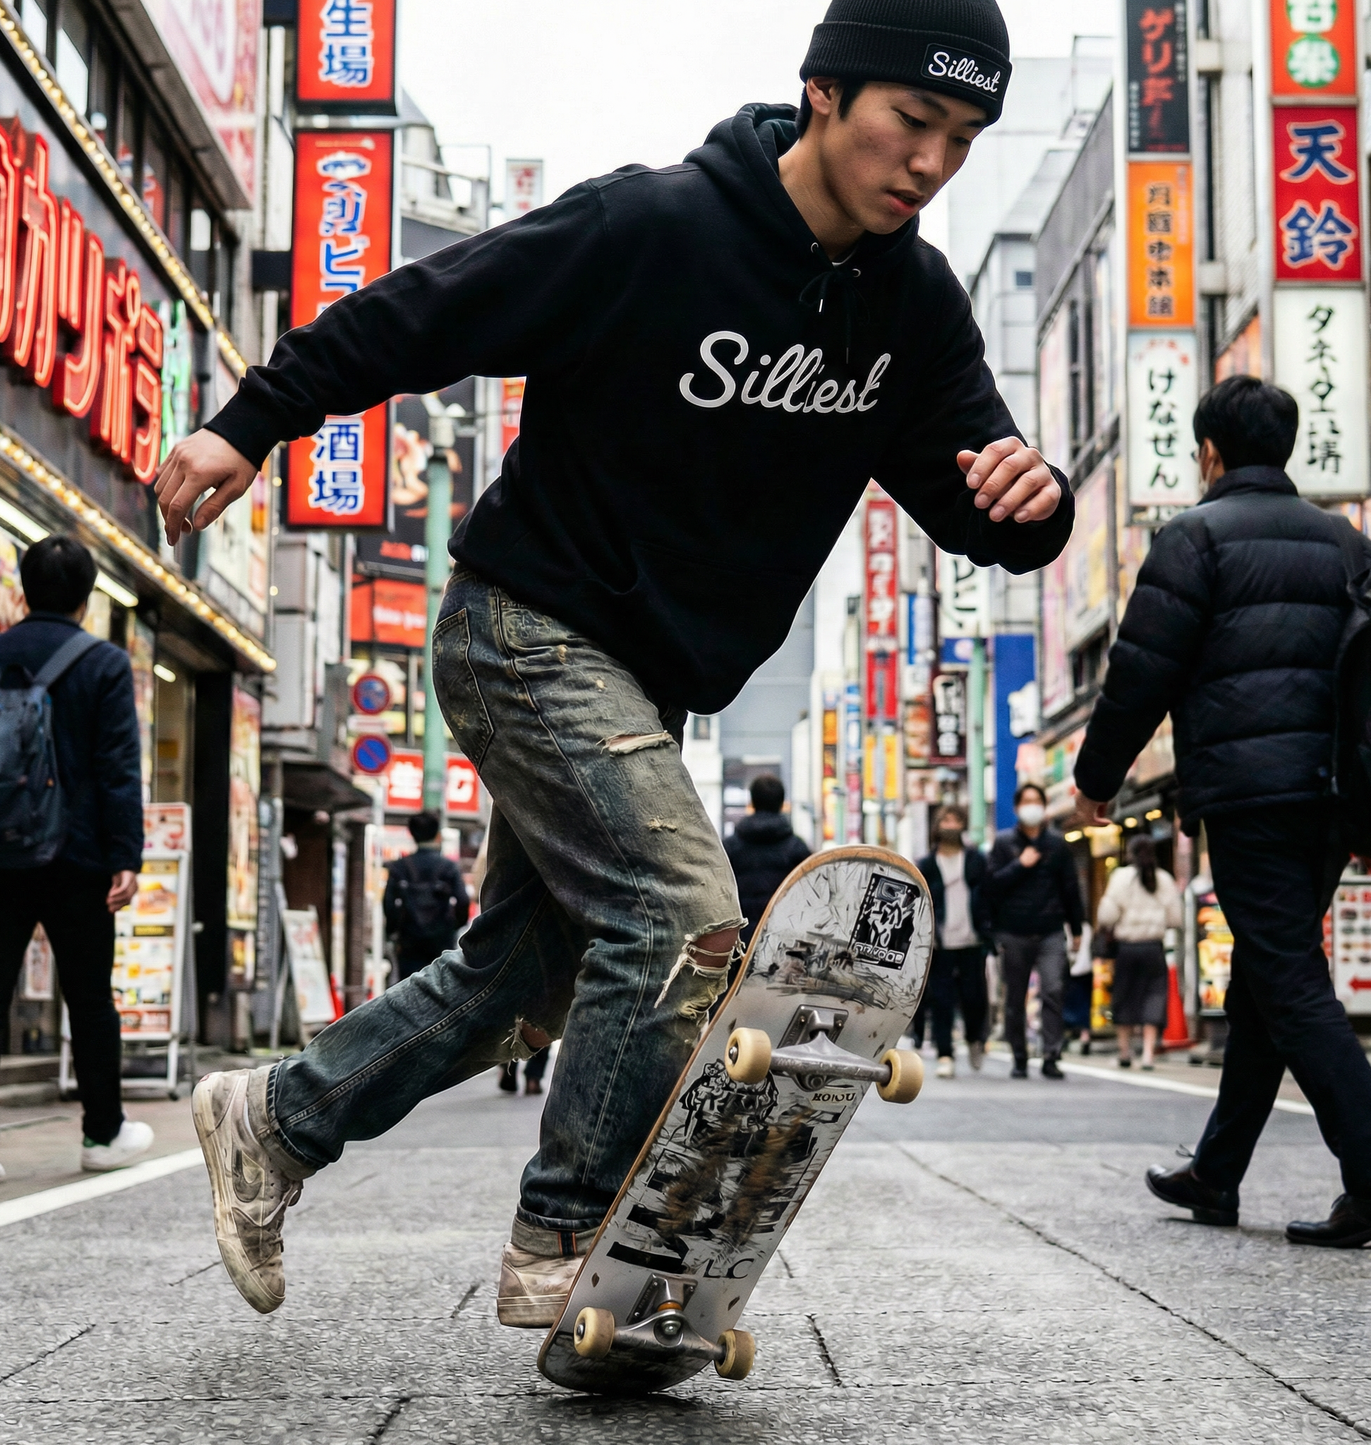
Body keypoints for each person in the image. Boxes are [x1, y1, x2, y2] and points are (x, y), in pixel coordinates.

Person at [162, 0, 1075, 1323]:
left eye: (962, 139)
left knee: (526, 976)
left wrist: (1030, 502)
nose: (929, 164)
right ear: (823, 93)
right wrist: (252, 422)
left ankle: (275, 1120)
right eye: (908, 122)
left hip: (639, 687)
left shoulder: (913, 306)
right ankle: (569, 1236)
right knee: (682, 915)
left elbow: (971, 497)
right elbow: (426, 309)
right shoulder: (650, 228)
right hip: (522, 623)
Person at [1072, 375, 1371, 1247]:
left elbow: (1139, 672)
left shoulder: (1192, 537)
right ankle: (1216, 1171)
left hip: (1247, 794)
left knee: (1283, 975)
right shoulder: (1345, 543)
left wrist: (1097, 779)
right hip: (1330, 796)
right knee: (1261, 977)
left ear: (1207, 451)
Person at [0, 536, 151, 1185]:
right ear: (87, 598)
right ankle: (101, 1130)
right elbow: (117, 767)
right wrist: (126, 853)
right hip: (77, 853)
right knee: (89, 994)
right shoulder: (104, 663)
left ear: (23, 589)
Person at [986, 782, 1086, 1079]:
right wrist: (1020, 864)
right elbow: (991, 886)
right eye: (1026, 801)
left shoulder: (1057, 844)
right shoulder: (1004, 843)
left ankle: (1052, 1055)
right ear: (1017, 809)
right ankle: (1019, 1056)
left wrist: (1077, 928)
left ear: (1043, 807)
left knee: (1054, 990)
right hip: (1013, 932)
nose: (1032, 806)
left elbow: (1071, 888)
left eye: (1036, 801)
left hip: (1051, 931)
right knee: (1015, 997)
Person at [916, 804, 992, 1077]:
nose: (950, 824)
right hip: (940, 943)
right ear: (937, 826)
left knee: (974, 998)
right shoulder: (926, 864)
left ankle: (974, 1039)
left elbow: (988, 895)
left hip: (972, 939)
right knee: (942, 1000)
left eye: (956, 819)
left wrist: (989, 929)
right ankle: (945, 1053)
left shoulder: (976, 860)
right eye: (945, 819)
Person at [1096, 835, 1180, 1071]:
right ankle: (1148, 1055)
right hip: (1154, 947)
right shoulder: (1164, 879)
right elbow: (1176, 918)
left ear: (1130, 853)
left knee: (1125, 997)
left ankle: (1124, 1051)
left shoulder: (1121, 877)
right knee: (1154, 996)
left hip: (1128, 948)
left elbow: (1106, 916)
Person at [382, 812, 470, 984]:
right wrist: (454, 925)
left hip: (409, 940)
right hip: (441, 939)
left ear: (412, 834)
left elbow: (388, 903)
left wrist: (393, 931)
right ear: (437, 835)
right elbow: (463, 900)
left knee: (407, 990)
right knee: (441, 987)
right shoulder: (448, 867)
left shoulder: (400, 867)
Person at [723, 774, 811, 937]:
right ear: (781, 803)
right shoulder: (797, 849)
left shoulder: (730, 848)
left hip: (740, 940)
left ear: (753, 802)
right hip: (783, 938)